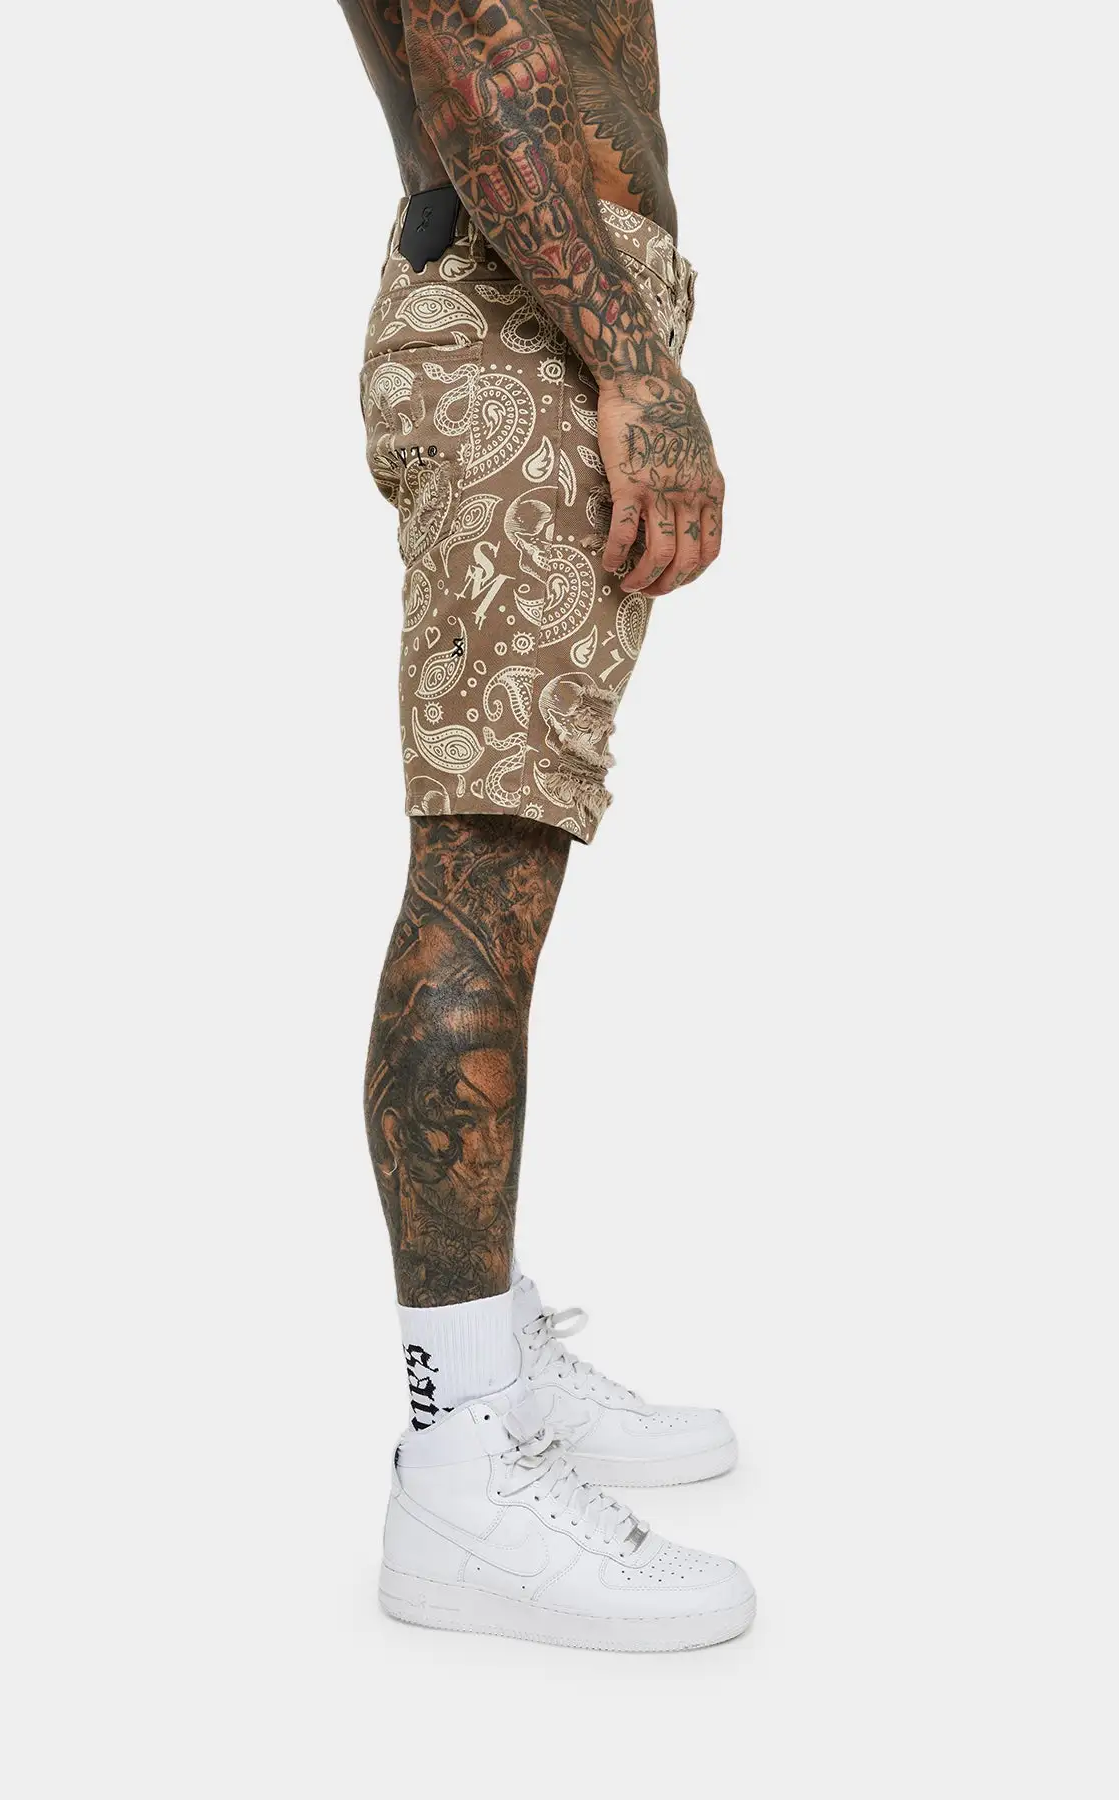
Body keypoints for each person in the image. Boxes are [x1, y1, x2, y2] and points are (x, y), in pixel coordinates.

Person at [339, 0, 754, 1650]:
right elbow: (465, 41)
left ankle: (495, 1355)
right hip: (529, 315)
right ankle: (459, 1465)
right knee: (481, 868)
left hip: (549, 296)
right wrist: (633, 363)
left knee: (509, 857)